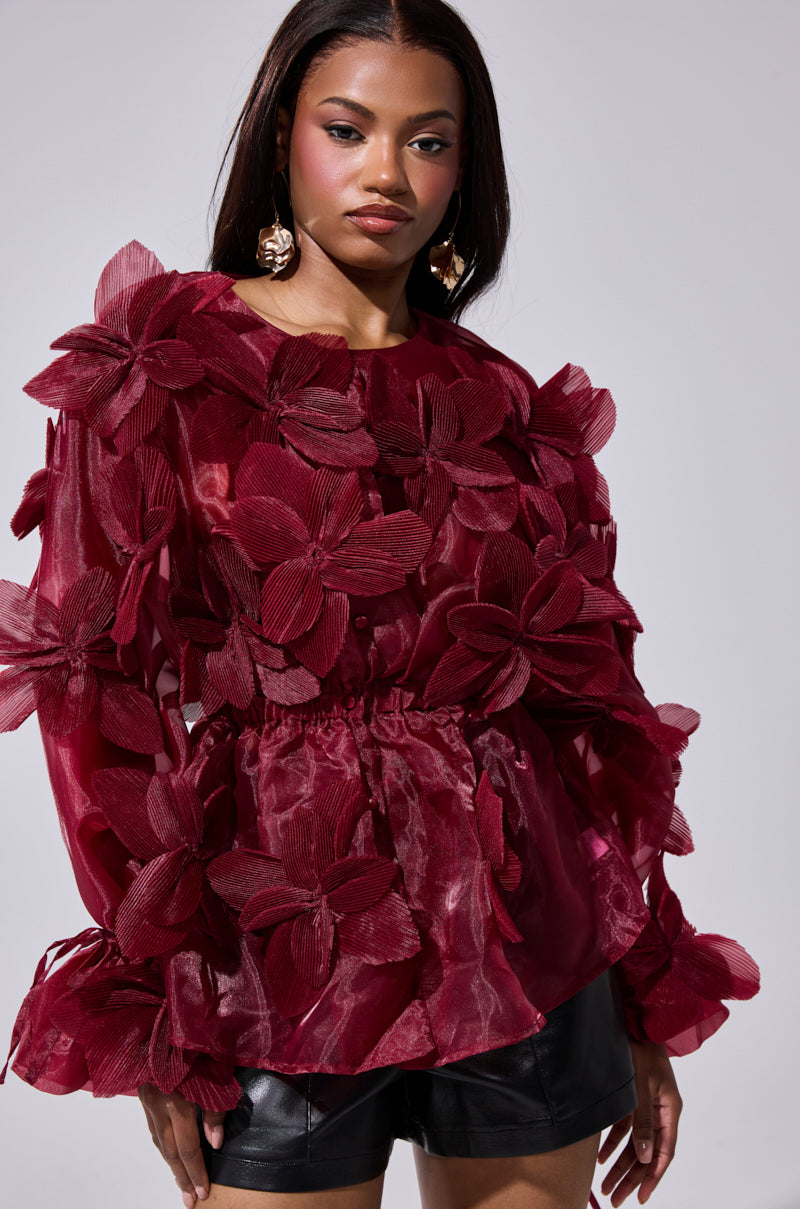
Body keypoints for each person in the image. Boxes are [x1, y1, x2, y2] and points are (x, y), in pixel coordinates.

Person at [0, 2, 760, 1208]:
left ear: (466, 168)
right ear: (282, 136)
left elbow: (587, 720)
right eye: (347, 129)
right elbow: (97, 702)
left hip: (522, 934)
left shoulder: (499, 404)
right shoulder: (166, 368)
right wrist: (154, 1000)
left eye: (429, 140)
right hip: (277, 942)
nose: (387, 174)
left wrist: (636, 981)